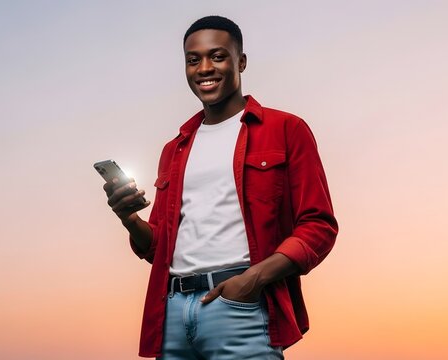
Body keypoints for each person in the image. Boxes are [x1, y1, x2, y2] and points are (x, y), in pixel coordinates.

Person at [103, 15, 338, 359]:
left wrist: (253, 280)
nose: (204, 68)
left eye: (218, 56)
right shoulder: (175, 148)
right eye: (193, 60)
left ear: (240, 61)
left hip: (240, 307)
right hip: (171, 312)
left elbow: (319, 226)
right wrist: (128, 218)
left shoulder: (286, 128)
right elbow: (157, 249)